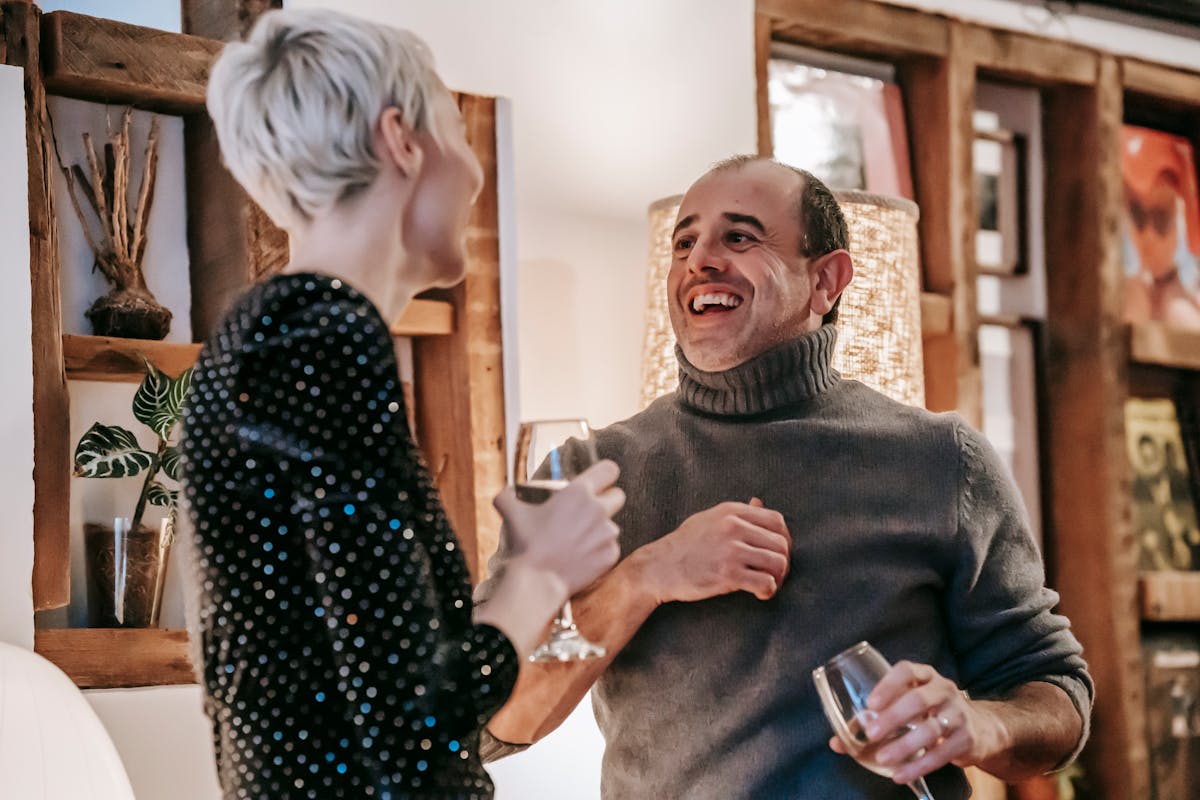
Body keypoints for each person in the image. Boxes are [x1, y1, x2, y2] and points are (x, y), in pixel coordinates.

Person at [477, 157, 1093, 799]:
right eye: (684, 243)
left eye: (739, 237)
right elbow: (487, 721)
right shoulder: (588, 474)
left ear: (825, 281)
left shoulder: (944, 459)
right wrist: (644, 578)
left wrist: (980, 725)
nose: (700, 260)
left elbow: (1057, 695)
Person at [179, 9, 623, 799]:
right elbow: (418, 719)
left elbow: (367, 687)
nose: (475, 171)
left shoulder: (267, 333)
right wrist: (541, 575)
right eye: (458, 131)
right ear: (402, 140)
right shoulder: (321, 334)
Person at [1121, 126, 1200, 330]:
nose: (1148, 236)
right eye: (1138, 217)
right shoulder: (1130, 296)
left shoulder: (1186, 299)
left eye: (1160, 219)